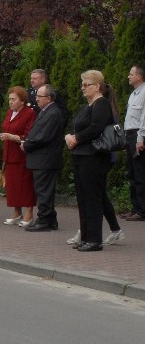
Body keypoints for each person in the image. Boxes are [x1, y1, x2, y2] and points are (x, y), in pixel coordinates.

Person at [65, 70, 121, 251]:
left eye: (86, 84)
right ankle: (86, 237)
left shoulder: (101, 104)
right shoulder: (87, 106)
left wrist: (77, 138)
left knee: (93, 198)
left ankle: (95, 240)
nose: (82, 88)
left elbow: (96, 128)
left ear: (97, 86)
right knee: (82, 198)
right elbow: (77, 126)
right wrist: (69, 136)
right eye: (82, 84)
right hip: (80, 156)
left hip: (94, 158)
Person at [21, 84, 66, 231]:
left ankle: (44, 220)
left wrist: (27, 144)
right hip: (42, 158)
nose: (36, 99)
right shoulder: (46, 111)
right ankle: (51, 219)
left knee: (43, 191)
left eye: (40, 96)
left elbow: (43, 136)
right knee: (43, 189)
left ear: (49, 98)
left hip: (45, 159)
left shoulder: (52, 113)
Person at [0, 86, 36, 227]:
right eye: (9, 99)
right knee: (12, 186)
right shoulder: (9, 113)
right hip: (9, 154)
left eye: (14, 99)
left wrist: (12, 137)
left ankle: (29, 212)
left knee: (25, 185)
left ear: (22, 101)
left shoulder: (29, 113)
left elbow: (29, 135)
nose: (11, 102)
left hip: (21, 155)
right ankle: (16, 211)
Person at [121, 65, 145, 222]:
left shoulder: (144, 93)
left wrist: (140, 138)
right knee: (133, 173)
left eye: (131, 74)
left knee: (140, 173)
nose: (128, 76)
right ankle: (135, 207)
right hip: (130, 135)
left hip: (138, 135)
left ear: (139, 77)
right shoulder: (133, 94)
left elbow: (144, 117)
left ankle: (142, 210)